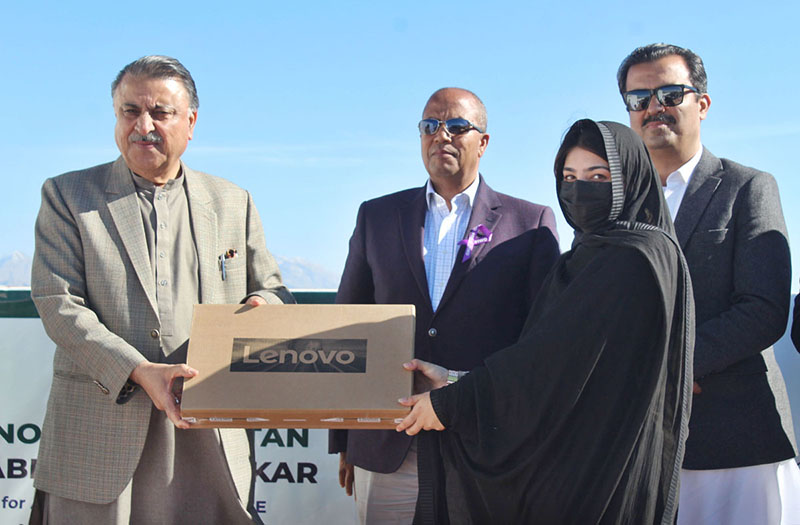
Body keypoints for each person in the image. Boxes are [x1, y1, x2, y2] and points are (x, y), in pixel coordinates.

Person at [30, 55, 293, 524]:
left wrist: (262, 308)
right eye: (130, 111)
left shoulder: (233, 201)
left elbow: (273, 289)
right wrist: (138, 370)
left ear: (190, 122)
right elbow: (58, 304)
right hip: (101, 434)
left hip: (206, 434)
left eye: (160, 113)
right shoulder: (68, 196)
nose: (143, 125)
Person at [398, 119, 694, 524]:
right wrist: (453, 380)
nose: (579, 189)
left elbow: (551, 363)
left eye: (598, 176)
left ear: (630, 179)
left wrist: (456, 403)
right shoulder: (585, 257)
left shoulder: (634, 257)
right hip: (574, 466)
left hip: (602, 477)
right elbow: (558, 366)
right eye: (569, 177)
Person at [328, 87, 560, 523]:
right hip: (385, 442)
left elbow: (541, 344)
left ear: (483, 142)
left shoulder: (530, 224)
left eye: (456, 126)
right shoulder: (376, 216)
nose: (441, 136)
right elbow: (349, 325)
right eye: (430, 126)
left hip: (482, 443)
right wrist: (345, 440)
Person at [617, 43, 800, 523]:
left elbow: (762, 309)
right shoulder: (615, 211)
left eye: (670, 93)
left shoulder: (748, 188)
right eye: (640, 99)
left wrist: (666, 369)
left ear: (702, 103)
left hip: (735, 446)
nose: (655, 106)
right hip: (635, 450)